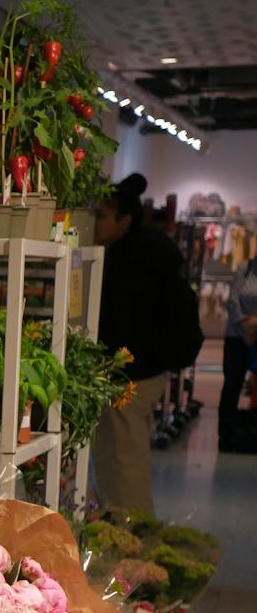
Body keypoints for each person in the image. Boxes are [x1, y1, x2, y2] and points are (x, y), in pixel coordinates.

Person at [93, 173, 199, 513]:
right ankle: (121, 531)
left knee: (124, 461)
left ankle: (133, 536)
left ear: (124, 220)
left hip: (134, 376)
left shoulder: (133, 261)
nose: (95, 223)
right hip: (145, 372)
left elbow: (124, 323)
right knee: (119, 457)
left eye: (101, 216)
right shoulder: (149, 254)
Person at [222, 256, 257, 452]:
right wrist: (245, 327)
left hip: (252, 335)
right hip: (237, 337)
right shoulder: (244, 268)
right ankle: (226, 436)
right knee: (232, 385)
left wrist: (254, 326)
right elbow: (232, 301)